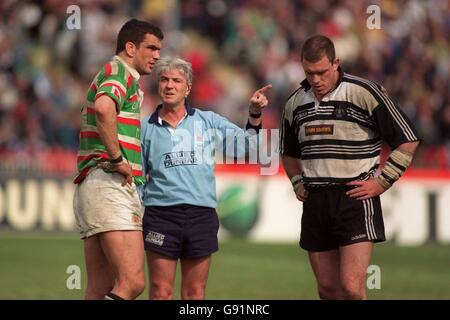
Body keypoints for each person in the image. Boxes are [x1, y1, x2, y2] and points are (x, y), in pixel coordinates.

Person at [279, 35, 420, 300]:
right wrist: (297, 182)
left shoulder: (364, 92)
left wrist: (382, 182)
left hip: (354, 198)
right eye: (309, 73)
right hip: (316, 201)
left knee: (353, 289)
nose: (316, 80)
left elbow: (407, 139)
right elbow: (287, 153)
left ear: (336, 63)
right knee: (328, 290)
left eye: (321, 72)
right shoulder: (295, 103)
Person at [140, 56, 271, 300]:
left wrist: (254, 115)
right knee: (160, 292)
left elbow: (246, 147)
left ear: (187, 88)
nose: (169, 85)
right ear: (158, 85)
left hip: (201, 215)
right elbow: (137, 177)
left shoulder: (208, 121)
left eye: (176, 81)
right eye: (164, 80)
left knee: (194, 294)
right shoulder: (145, 128)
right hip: (160, 215)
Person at [72, 19, 163, 300]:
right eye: (152, 48)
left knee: (99, 289)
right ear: (130, 47)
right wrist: (116, 158)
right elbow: (103, 108)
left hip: (93, 186)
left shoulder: (117, 74)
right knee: (133, 283)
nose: (157, 56)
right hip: (109, 184)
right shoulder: (119, 71)